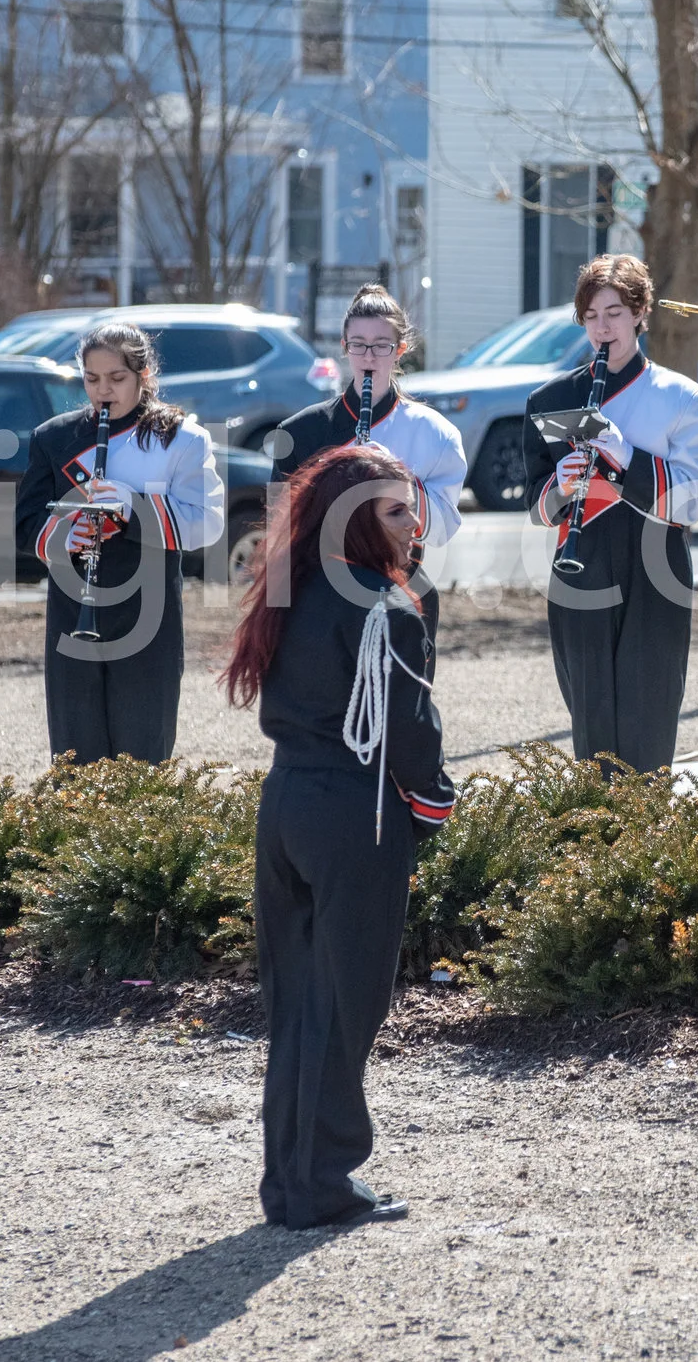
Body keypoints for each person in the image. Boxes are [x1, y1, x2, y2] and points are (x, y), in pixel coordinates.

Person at [221, 445, 454, 1232]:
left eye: (412, 504)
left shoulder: (290, 588)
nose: (413, 521)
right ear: (353, 520)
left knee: (294, 1003)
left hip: (284, 803)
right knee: (345, 1005)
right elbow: (412, 735)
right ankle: (320, 1181)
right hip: (356, 812)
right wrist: (435, 807)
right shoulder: (387, 604)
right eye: (395, 509)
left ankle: (290, 1181)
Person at [518, 256, 698, 774]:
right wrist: (560, 487)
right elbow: (536, 506)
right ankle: (595, 841)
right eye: (591, 315)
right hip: (581, 559)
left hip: (657, 560)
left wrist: (624, 455)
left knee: (649, 711)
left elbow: (695, 498)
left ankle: (643, 837)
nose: (602, 327)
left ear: (640, 314)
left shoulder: (682, 395)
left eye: (614, 312)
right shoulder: (551, 398)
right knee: (591, 713)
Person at [15, 323, 224, 767]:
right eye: (92, 379)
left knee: (141, 754)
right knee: (75, 756)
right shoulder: (54, 438)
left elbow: (207, 524)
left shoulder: (182, 438)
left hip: (149, 614)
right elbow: (24, 523)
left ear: (143, 375)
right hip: (74, 608)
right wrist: (63, 537)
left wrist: (134, 508)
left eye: (117, 378)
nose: (103, 390)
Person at [268, 286, 468, 631]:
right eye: (358, 345)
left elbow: (442, 531)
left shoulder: (435, 433)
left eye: (381, 346)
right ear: (344, 348)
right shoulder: (299, 432)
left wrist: (399, 479)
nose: (369, 357)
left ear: (400, 351)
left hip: (399, 596)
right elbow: (279, 535)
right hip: (318, 602)